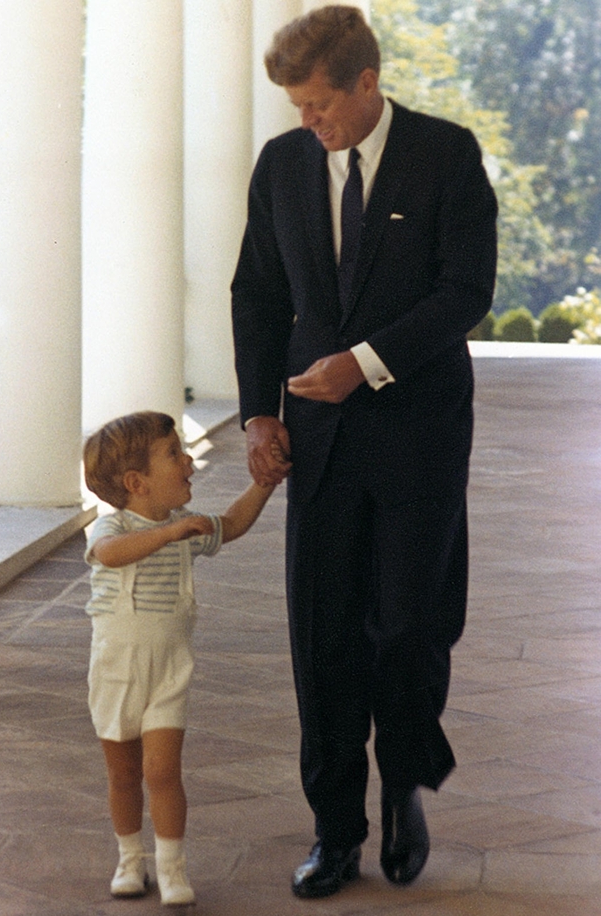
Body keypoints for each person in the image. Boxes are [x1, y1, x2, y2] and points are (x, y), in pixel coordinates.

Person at [231, 5, 497, 899]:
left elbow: (467, 291)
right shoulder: (282, 164)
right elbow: (258, 294)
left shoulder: (446, 154)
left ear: (366, 83)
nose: (309, 124)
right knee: (325, 635)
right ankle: (335, 831)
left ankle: (406, 786)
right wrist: (257, 416)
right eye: (297, 109)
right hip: (319, 444)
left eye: (319, 106)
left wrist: (367, 365)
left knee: (412, 626)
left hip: (419, 432)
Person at [82, 410, 275, 906]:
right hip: (116, 674)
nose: (188, 460)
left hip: (169, 671)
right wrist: (169, 535)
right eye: (174, 454)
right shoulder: (114, 526)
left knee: (163, 773)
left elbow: (230, 524)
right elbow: (109, 554)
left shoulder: (184, 527)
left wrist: (264, 485)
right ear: (136, 482)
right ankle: (130, 859)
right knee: (123, 775)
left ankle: (171, 867)